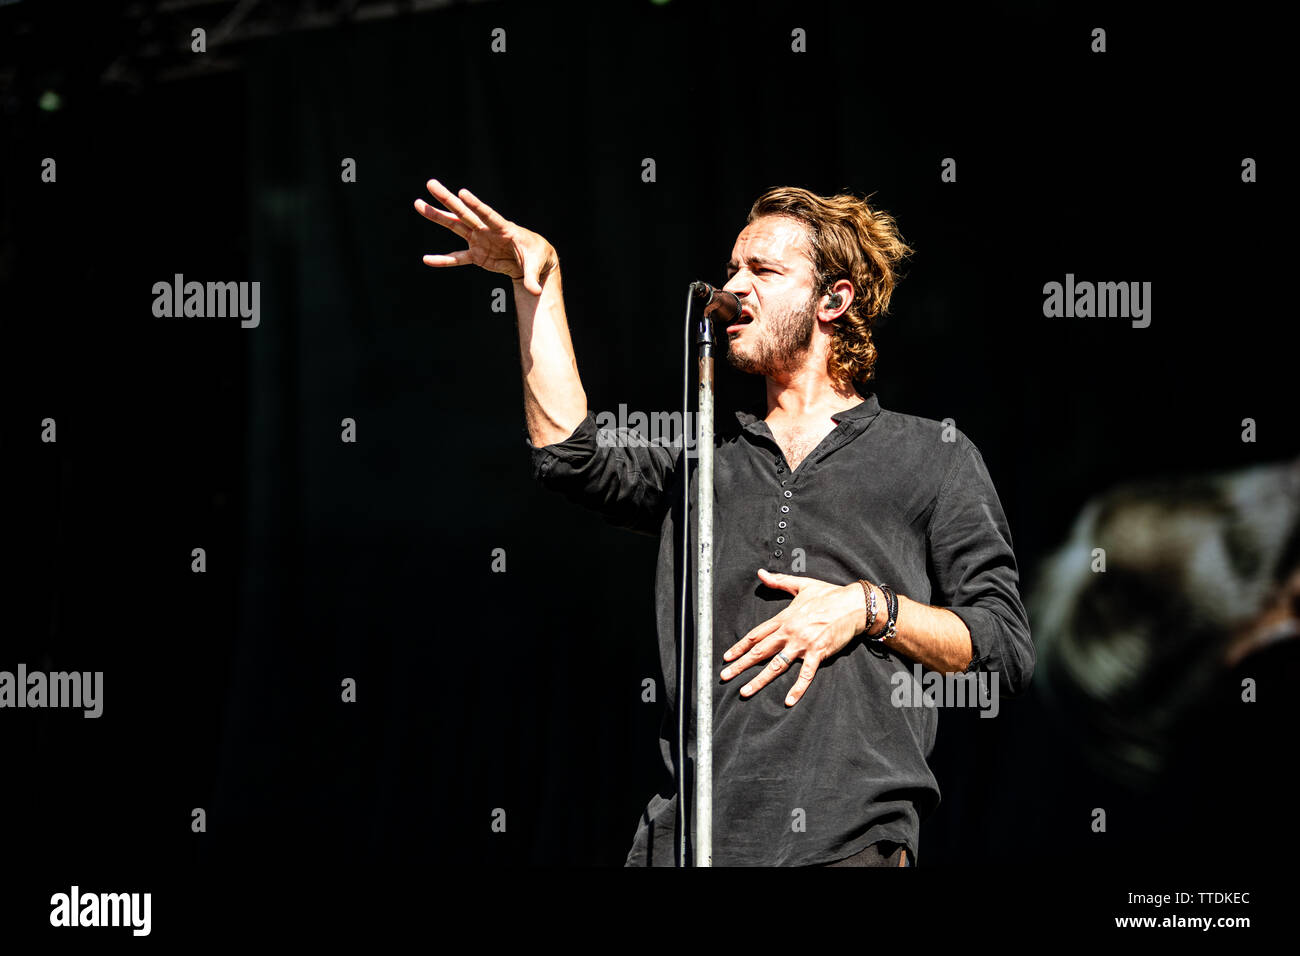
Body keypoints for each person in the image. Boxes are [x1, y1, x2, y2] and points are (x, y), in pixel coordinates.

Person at [414, 179, 1035, 866]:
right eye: (734, 268)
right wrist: (539, 284)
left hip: (845, 844)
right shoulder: (704, 463)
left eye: (763, 271)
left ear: (834, 300)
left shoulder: (930, 456)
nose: (734, 286)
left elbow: (1001, 647)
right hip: (686, 845)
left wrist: (866, 607)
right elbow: (568, 454)